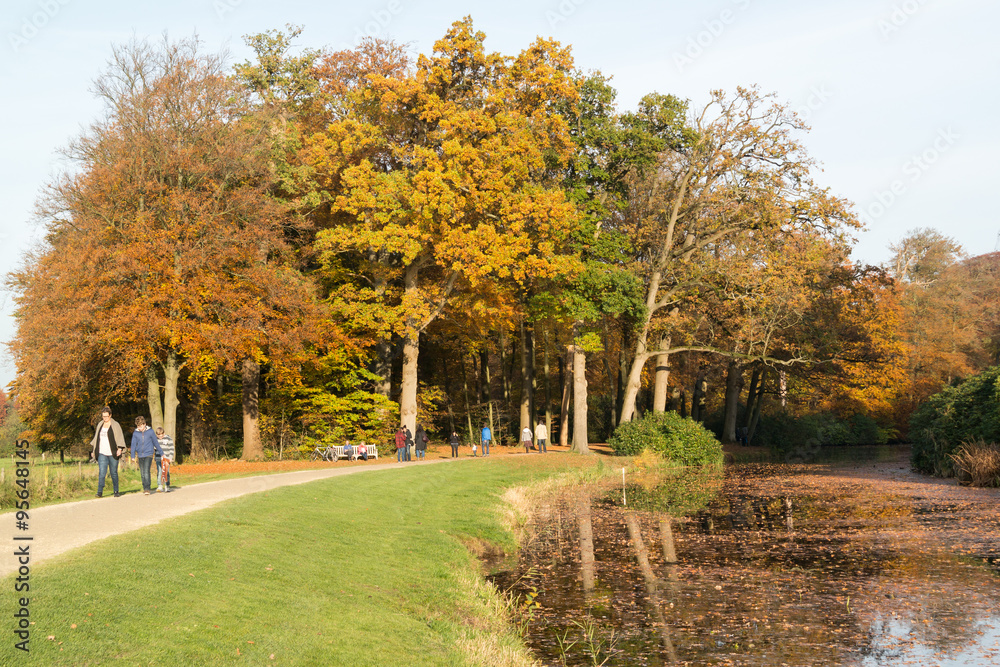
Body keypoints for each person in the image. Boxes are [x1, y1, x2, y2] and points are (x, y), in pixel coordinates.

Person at [89, 407, 126, 498]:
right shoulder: (100, 425)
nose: (104, 418)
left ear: (110, 415)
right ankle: (99, 492)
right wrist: (94, 451)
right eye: (103, 416)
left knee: (113, 472)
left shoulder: (115, 425)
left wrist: (120, 449)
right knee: (102, 472)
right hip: (102, 452)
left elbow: (120, 437)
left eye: (106, 416)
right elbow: (96, 439)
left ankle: (116, 491)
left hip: (113, 452)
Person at [130, 416, 163, 496]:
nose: (140, 428)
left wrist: (161, 453)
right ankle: (144, 486)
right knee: (142, 473)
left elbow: (156, 443)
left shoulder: (150, 432)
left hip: (149, 454)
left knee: (146, 471)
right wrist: (133, 456)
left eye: (141, 425)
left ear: (144, 424)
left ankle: (147, 488)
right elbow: (133, 445)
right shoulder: (135, 433)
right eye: (138, 426)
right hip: (140, 455)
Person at [155, 427, 175, 492]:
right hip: (158, 458)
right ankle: (160, 485)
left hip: (166, 458)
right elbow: (153, 448)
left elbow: (171, 448)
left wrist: (170, 457)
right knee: (160, 472)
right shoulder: (155, 440)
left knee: (166, 472)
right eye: (159, 435)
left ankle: (167, 485)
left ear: (164, 433)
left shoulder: (168, 439)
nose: (160, 436)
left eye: (162, 435)